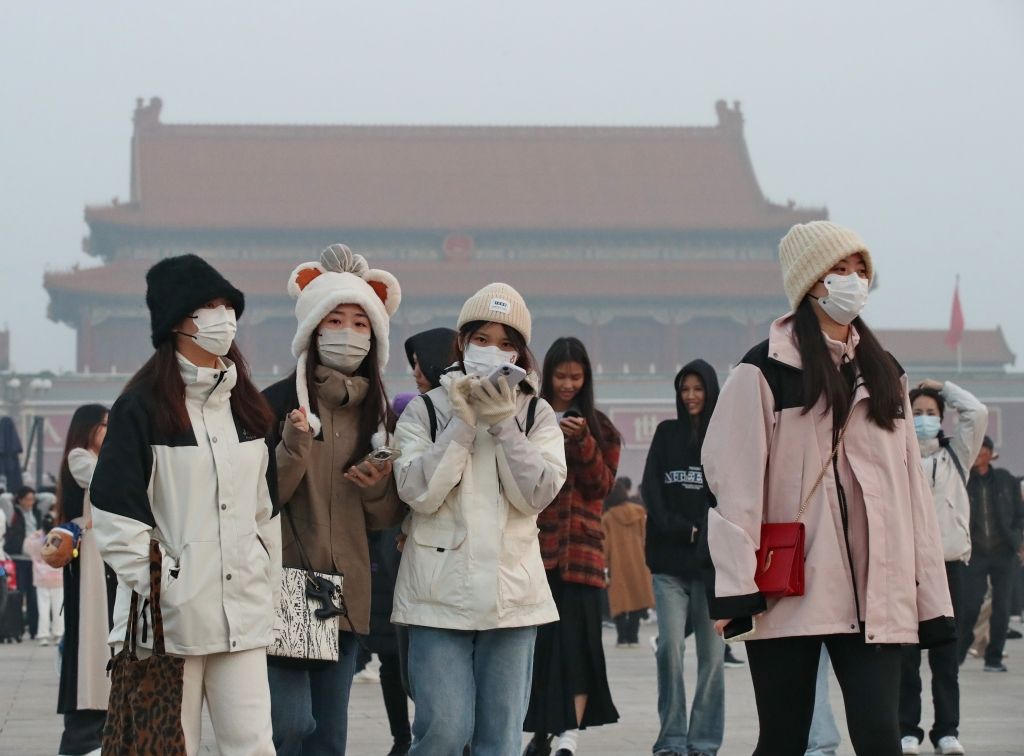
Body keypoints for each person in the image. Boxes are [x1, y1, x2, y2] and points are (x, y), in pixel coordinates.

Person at [703, 221, 955, 756]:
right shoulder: (763, 371)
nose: (853, 279)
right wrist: (735, 588)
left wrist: (930, 597)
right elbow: (735, 485)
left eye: (860, 268)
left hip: (875, 592)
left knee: (881, 740)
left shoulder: (886, 373)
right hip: (790, 588)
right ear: (810, 282)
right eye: (839, 269)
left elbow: (913, 496)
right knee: (783, 740)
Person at [91, 254, 281, 756]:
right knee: (168, 748)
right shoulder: (141, 408)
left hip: (241, 613)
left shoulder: (247, 407)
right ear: (176, 321)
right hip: (168, 624)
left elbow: (266, 512)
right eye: (209, 306)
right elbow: (113, 514)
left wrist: (265, 577)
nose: (224, 317)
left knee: (254, 745)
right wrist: (166, 584)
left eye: (227, 305)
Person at [392, 282, 567, 756]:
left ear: (522, 353)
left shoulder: (537, 414)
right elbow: (417, 491)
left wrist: (503, 425)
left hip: (512, 594)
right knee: (444, 731)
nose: (493, 351)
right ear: (462, 342)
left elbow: (537, 494)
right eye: (482, 339)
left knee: (501, 741)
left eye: (507, 343)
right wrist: (463, 424)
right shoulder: (424, 412)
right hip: (436, 592)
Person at [263, 244, 405, 756]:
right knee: (292, 724)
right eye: (336, 319)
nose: (349, 333)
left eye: (362, 323)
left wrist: (377, 488)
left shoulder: (379, 415)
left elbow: (388, 517)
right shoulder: (278, 403)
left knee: (329, 736)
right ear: (314, 327)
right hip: (290, 579)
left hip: (341, 585)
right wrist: (294, 445)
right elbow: (261, 499)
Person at [524, 337, 621, 756]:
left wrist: (581, 442)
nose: (567, 384)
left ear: (586, 379)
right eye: (560, 376)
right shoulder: (530, 419)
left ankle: (569, 735)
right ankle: (542, 731)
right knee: (541, 650)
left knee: (579, 648)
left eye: (575, 377)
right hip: (536, 553)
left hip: (582, 555)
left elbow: (601, 486)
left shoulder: (602, 428)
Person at [641, 359, 725, 756]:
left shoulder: (723, 436)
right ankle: (672, 738)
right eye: (684, 389)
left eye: (698, 388)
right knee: (669, 647)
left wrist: (707, 533)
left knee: (712, 657)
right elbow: (651, 490)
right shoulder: (666, 433)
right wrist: (680, 527)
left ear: (710, 391)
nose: (691, 396)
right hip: (670, 564)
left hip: (712, 569)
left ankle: (704, 741)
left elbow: (731, 494)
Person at [900, 380, 987, 755]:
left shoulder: (957, 457)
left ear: (942, 418)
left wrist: (943, 388)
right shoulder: (896, 456)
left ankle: (946, 731)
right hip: (906, 567)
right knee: (905, 655)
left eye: (931, 414)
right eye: (916, 413)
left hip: (948, 567)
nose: (923, 420)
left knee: (945, 658)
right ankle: (908, 731)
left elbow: (977, 413)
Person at [52, 403, 116, 756]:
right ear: (88, 428)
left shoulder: (91, 458)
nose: (109, 431)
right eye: (104, 425)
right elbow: (107, 480)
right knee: (88, 639)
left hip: (99, 557)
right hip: (87, 557)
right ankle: (83, 734)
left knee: (99, 636)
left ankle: (98, 729)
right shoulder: (80, 457)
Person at [957, 435, 1024, 672]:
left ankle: (993, 659)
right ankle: (959, 653)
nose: (979, 454)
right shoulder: (963, 482)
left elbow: (1019, 515)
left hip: (1003, 552)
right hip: (975, 554)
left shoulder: (1006, 480)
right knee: (970, 606)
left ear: (990, 453)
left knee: (1002, 608)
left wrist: (1019, 541)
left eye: (983, 449)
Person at [603, 479, 654, 648]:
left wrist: (604, 565)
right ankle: (633, 636)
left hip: (617, 564)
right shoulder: (639, 512)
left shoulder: (608, 518)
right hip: (639, 562)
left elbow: (606, 545)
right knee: (637, 598)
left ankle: (622, 637)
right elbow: (646, 537)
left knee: (619, 600)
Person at [3, 485, 40, 639]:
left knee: (33, 595)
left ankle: (34, 629)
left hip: (33, 559)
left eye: (33, 499)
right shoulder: (13, 512)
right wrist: (15, 497)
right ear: (20, 499)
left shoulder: (37, 513)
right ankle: (17, 628)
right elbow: (4, 498)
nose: (30, 502)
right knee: (19, 594)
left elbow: (50, 498)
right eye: (27, 499)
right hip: (18, 558)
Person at [23, 512, 64, 645]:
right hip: (57, 576)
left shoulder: (35, 539)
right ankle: (58, 634)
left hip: (41, 577)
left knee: (43, 607)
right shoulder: (58, 538)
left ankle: (43, 635)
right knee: (58, 607)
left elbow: (26, 549)